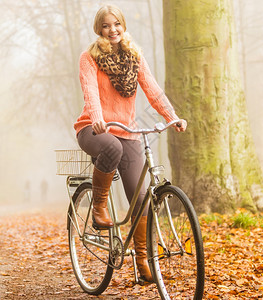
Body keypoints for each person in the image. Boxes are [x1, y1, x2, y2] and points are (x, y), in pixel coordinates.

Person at [74, 4, 187, 283]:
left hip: (128, 132)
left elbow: (153, 90)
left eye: (116, 24)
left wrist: (172, 117)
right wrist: (98, 118)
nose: (112, 30)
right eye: (105, 26)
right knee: (111, 146)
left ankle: (143, 263)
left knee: (141, 200)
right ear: (98, 29)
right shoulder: (89, 57)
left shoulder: (134, 57)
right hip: (93, 129)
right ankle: (99, 207)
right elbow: (91, 93)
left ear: (123, 26)